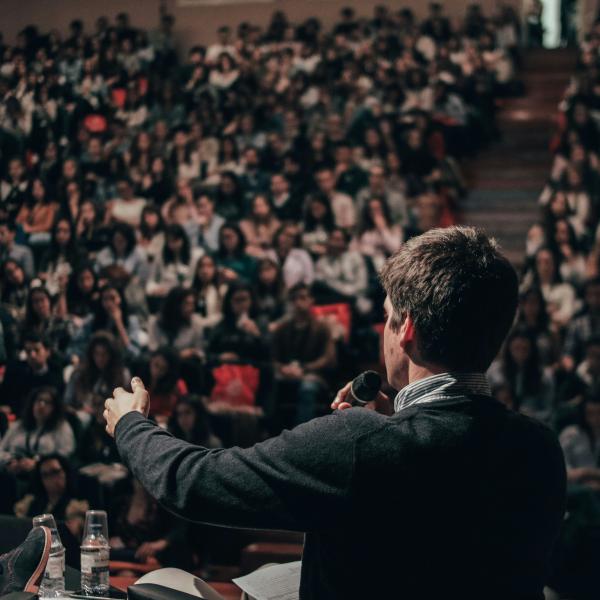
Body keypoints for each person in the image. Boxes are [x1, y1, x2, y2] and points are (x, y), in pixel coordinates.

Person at [104, 226, 566, 600]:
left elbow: (191, 484)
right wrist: (395, 425)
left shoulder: (359, 443)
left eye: (386, 316)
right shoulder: (540, 447)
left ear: (406, 328)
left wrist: (131, 424)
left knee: (161, 586)